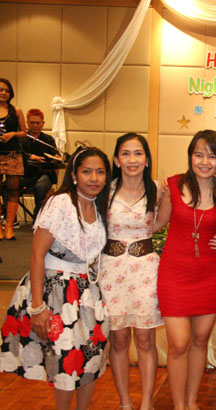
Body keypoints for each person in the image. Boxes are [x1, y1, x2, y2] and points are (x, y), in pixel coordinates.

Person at [0, 146, 111, 410]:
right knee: (65, 362)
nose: (94, 178)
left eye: (100, 172)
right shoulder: (60, 203)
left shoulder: (99, 206)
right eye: (87, 171)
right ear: (74, 175)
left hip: (87, 293)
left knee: (90, 358)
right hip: (56, 293)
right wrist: (37, 307)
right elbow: (37, 254)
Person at [155, 130, 216, 410]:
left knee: (200, 340)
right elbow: (157, 224)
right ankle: (179, 405)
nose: (204, 162)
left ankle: (191, 401)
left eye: (211, 156)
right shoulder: (173, 186)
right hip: (174, 273)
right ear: (190, 156)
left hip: (208, 275)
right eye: (198, 155)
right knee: (179, 343)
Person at [99, 133, 162, 410]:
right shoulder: (105, 190)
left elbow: (164, 222)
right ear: (116, 160)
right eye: (126, 154)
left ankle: (147, 402)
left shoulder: (158, 190)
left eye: (138, 153)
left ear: (147, 159)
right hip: (111, 271)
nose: (132, 160)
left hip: (145, 270)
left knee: (146, 339)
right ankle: (125, 402)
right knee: (119, 339)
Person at [20, 108, 58, 221]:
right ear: (27, 123)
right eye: (32, 123)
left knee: (40, 187)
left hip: (44, 174)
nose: (35, 125)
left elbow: (55, 154)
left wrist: (56, 157)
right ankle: (10, 219)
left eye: (38, 123)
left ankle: (38, 218)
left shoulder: (48, 139)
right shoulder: (22, 139)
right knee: (6, 186)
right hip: (26, 174)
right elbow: (19, 154)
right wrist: (30, 156)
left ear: (43, 123)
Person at [0, 78, 27, 240]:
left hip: (13, 154)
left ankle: (9, 226)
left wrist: (13, 134)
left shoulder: (16, 110)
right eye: (0, 90)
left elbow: (24, 132)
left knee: (13, 190)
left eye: (6, 90)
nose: (3, 93)